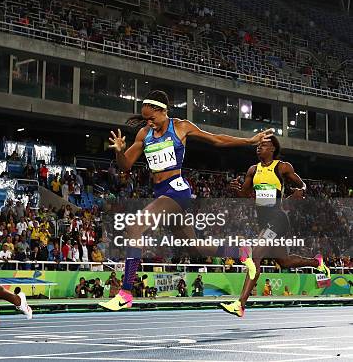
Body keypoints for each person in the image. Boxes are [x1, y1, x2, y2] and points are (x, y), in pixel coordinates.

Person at [99, 90, 274, 310]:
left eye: (152, 118)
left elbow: (217, 140)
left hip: (176, 191)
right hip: (161, 193)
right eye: (146, 120)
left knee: (134, 227)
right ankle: (240, 251)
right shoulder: (144, 134)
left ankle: (125, 293)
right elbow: (125, 166)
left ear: (163, 111)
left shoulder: (181, 127)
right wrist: (119, 152)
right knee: (194, 247)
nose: (149, 123)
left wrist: (249, 140)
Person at [220, 136, 330, 317]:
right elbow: (245, 193)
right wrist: (236, 189)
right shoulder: (252, 170)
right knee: (284, 262)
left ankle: (240, 304)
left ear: (272, 149)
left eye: (263, 145)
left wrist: (299, 192)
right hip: (264, 222)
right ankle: (316, 262)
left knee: (255, 255)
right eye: (258, 145)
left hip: (278, 220)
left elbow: (301, 184)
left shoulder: (282, 167)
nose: (259, 148)